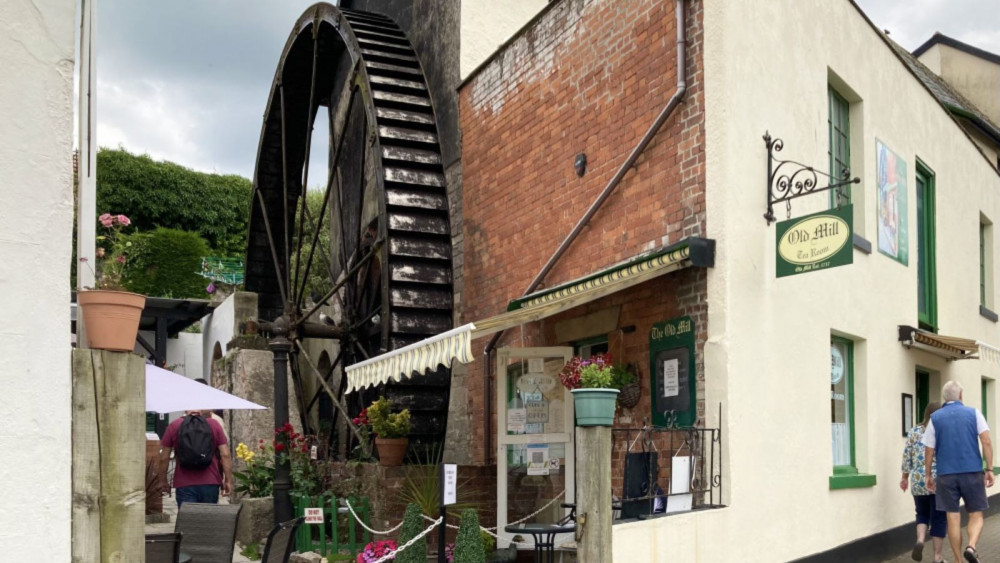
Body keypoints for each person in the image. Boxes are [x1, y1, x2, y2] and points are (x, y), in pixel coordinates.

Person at [923, 381, 995, 563]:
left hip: (946, 475)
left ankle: (958, 560)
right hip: (972, 472)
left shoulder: (935, 418)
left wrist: (928, 475)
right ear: (961, 395)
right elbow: (986, 441)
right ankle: (971, 547)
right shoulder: (974, 413)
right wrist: (989, 469)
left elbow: (929, 450)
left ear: (944, 398)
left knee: (952, 518)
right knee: (976, 514)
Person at [159, 409, 233, 508]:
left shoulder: (174, 425)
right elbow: (225, 454)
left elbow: (164, 457)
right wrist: (228, 480)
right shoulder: (214, 424)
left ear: (186, 409)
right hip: (210, 483)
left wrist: (163, 480)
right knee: (207, 519)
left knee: (188, 521)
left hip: (184, 484)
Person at [901, 402, 946, 562]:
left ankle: (920, 540)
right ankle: (937, 557)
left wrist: (905, 477)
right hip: (937, 480)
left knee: (921, 513)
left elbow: (907, 456)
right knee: (939, 518)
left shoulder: (914, 431)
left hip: (918, 480)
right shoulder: (941, 431)